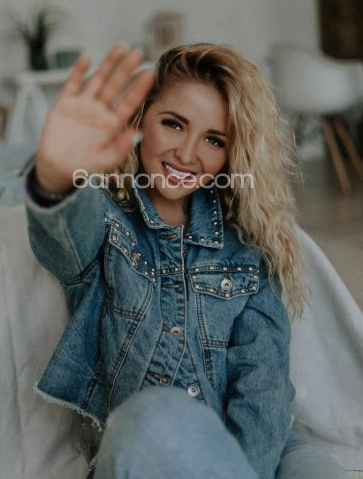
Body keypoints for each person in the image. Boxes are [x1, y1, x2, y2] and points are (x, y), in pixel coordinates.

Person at [24, 44, 348, 478]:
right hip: (148, 444)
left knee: (316, 469)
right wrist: (54, 178)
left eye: (214, 140)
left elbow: (263, 388)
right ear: (140, 120)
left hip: (249, 449)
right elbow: (61, 238)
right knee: (155, 414)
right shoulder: (106, 220)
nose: (187, 153)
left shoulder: (246, 247)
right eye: (173, 124)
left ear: (232, 154)